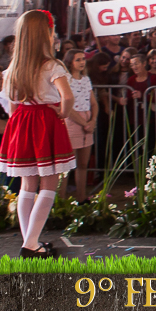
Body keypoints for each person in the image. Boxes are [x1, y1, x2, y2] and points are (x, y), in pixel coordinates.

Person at [0, 10, 76, 259]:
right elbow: (68, 97)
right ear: (46, 34)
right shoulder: (52, 65)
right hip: (44, 121)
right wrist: (62, 113)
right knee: (48, 183)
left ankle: (32, 241)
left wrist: (18, 122)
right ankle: (31, 243)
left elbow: (11, 105)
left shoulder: (12, 68)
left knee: (27, 185)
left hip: (21, 122)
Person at [62, 51, 95, 202]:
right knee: (67, 164)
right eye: (78, 60)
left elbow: (93, 103)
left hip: (87, 119)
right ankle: (61, 200)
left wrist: (92, 120)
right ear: (70, 62)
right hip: (72, 120)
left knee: (83, 163)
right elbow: (67, 106)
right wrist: (84, 123)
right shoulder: (66, 80)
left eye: (83, 59)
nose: (82, 62)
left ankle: (81, 197)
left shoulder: (86, 79)